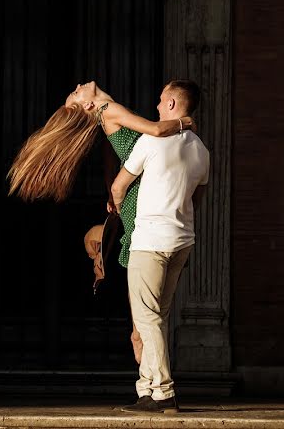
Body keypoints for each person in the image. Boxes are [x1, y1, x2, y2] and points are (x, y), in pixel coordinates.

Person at [7, 81, 195, 361]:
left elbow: (113, 152)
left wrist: (111, 188)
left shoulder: (107, 116)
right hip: (139, 202)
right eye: (75, 92)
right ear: (88, 105)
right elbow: (155, 130)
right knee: (146, 306)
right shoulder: (109, 109)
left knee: (143, 299)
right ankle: (144, 359)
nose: (79, 85)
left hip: (136, 197)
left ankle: (144, 359)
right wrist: (185, 121)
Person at [110, 80, 210, 414]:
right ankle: (147, 390)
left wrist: (119, 210)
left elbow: (119, 185)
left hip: (150, 241)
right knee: (158, 316)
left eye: (160, 100)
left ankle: (164, 391)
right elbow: (198, 198)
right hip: (182, 241)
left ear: (171, 105)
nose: (155, 107)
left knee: (147, 319)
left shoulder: (151, 141)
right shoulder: (201, 150)